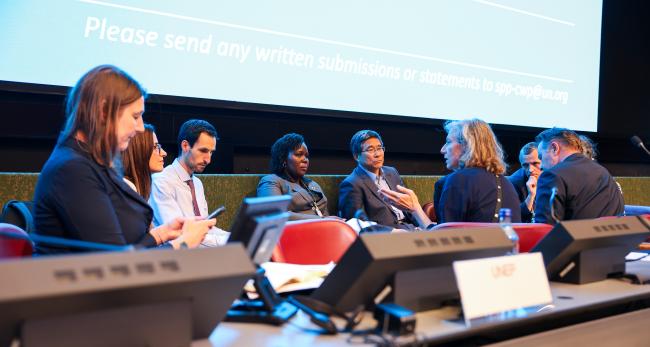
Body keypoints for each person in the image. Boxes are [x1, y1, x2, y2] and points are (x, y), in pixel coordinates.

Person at [33, 65, 214, 254]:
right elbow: (116, 265)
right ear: (104, 111)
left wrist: (162, 234)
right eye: (135, 116)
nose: (140, 128)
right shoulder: (72, 170)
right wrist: (183, 244)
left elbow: (122, 249)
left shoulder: (91, 162)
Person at [380, 119, 521, 225]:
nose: (442, 149)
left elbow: (444, 241)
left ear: (466, 145)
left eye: (448, 142)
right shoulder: (508, 184)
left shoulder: (457, 181)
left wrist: (414, 208)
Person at [534, 128, 624, 224]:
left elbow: (545, 229)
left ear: (554, 148)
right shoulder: (604, 173)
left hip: (571, 239)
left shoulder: (552, 176)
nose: (541, 166)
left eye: (540, 157)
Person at [338, 130, 416, 229]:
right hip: (388, 236)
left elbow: (409, 206)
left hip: (412, 229)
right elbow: (357, 225)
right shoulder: (351, 184)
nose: (378, 154)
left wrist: (422, 227)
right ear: (356, 156)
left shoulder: (392, 172)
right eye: (370, 150)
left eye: (379, 148)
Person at [150, 119, 220, 224]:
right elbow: (178, 232)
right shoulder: (162, 181)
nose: (208, 160)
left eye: (211, 152)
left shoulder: (197, 183)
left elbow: (204, 229)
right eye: (203, 151)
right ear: (185, 146)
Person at [257, 133, 332, 220]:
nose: (305, 160)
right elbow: (275, 214)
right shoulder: (271, 181)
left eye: (306, 156)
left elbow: (326, 216)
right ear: (283, 158)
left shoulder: (313, 184)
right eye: (299, 154)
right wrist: (320, 220)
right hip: (295, 232)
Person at [121, 123, 167, 200]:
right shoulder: (127, 188)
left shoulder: (143, 187)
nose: (164, 153)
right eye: (155, 147)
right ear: (139, 151)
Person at [507, 142, 542, 222]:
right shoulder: (513, 183)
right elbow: (516, 217)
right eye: (525, 165)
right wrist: (531, 195)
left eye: (535, 163)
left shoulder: (553, 176)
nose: (530, 169)